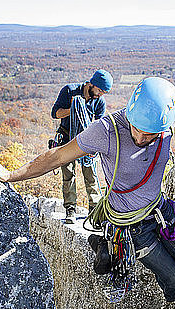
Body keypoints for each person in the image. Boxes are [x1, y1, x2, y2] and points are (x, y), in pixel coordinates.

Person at [0, 77, 175, 309]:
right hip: (131, 227)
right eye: (138, 129)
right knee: (172, 278)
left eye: (151, 134)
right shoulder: (107, 131)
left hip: (161, 211)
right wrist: (12, 175)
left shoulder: (162, 118)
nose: (142, 137)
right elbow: (59, 155)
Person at [51, 69, 113, 223]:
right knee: (68, 175)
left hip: (87, 141)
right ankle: (70, 209)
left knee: (90, 175)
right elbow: (55, 113)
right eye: (99, 90)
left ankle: (94, 210)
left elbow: (99, 125)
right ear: (91, 84)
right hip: (66, 138)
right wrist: (73, 109)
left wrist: (96, 146)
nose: (100, 95)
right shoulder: (69, 91)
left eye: (103, 92)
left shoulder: (99, 102)